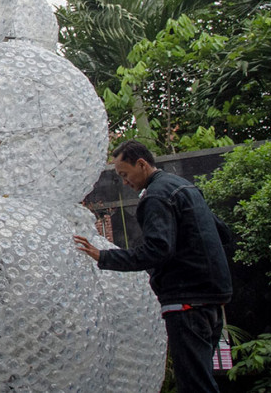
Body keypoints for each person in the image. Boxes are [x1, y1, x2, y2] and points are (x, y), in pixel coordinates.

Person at [74, 140, 233, 393]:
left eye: (125, 174)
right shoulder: (184, 186)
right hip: (213, 298)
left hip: (186, 299)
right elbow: (222, 232)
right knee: (202, 378)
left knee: (195, 384)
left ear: (142, 164)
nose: (124, 182)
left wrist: (103, 256)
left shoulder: (156, 196)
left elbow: (157, 250)